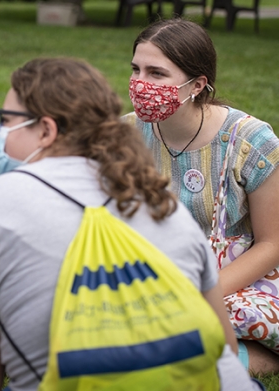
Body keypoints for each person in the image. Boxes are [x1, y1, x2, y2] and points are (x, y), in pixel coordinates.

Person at [0, 57, 262, 391]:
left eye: (6, 121)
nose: (0, 134)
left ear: (46, 130)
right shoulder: (164, 203)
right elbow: (225, 347)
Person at [124, 18, 279, 375]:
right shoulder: (125, 134)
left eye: (157, 73)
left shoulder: (251, 142)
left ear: (197, 84)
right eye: (136, 69)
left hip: (242, 277)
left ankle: (252, 358)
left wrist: (200, 293)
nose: (140, 84)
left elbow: (272, 243)